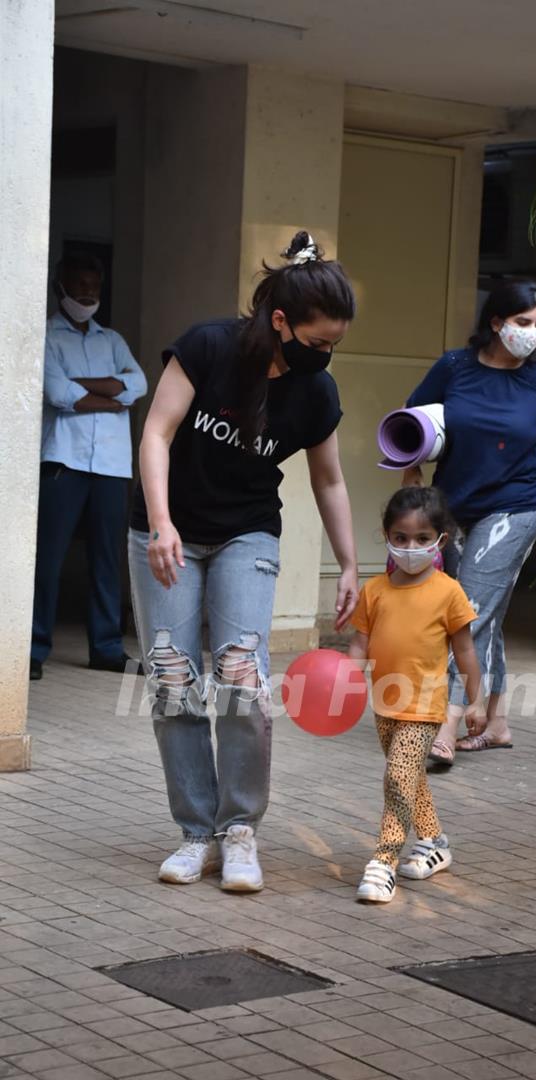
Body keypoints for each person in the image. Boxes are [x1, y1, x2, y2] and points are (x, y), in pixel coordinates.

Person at [128, 231, 358, 892]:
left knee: (241, 678)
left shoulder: (316, 394)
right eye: (317, 342)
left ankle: (239, 832)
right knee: (173, 679)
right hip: (165, 528)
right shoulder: (209, 347)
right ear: (280, 320)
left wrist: (347, 564)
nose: (325, 355)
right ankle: (195, 832)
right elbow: (157, 432)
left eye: (334, 344)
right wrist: (162, 523)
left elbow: (330, 481)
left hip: (246, 533)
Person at [403, 281, 536, 764]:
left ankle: (447, 727)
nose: (531, 333)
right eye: (522, 323)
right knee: (483, 613)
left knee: (467, 610)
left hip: (514, 509)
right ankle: (495, 722)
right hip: (451, 510)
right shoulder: (453, 368)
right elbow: (413, 424)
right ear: (496, 322)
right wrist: (413, 487)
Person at [348, 486, 482, 903]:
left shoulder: (448, 592)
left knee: (397, 776)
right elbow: (358, 646)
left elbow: (465, 651)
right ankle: (435, 843)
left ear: (440, 541)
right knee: (410, 778)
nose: (411, 547)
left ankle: (384, 860)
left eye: (422, 539)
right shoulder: (374, 592)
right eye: (401, 538)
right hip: (384, 705)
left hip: (425, 708)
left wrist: (476, 701)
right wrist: (343, 682)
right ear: (387, 536)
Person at [30, 252, 148, 681]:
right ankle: (32, 648)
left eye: (94, 287)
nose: (87, 293)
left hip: (112, 466)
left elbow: (138, 385)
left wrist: (85, 389)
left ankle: (107, 648)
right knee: (48, 558)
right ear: (60, 287)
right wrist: (112, 394)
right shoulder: (45, 337)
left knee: (106, 559)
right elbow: (58, 394)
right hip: (64, 460)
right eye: (79, 286)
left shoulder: (112, 340)